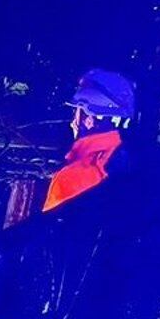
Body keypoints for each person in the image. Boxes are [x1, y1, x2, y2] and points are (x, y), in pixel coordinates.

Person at [43, 69, 136, 213]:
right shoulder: (123, 163)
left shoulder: (70, 180)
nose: (72, 122)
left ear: (89, 120)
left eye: (76, 112)